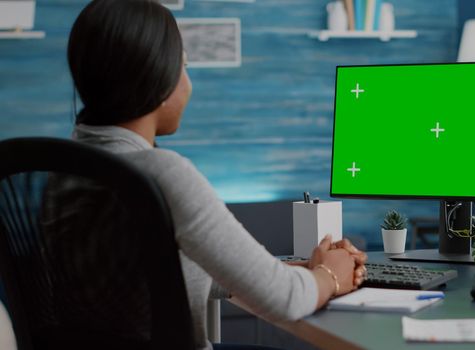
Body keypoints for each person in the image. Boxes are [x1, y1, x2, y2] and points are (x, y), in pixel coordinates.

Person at [66, 1, 368, 349]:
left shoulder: (64, 169)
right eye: (185, 67)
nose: (189, 85)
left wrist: (297, 270)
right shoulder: (162, 174)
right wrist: (330, 276)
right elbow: (285, 301)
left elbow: (148, 279)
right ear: (158, 78)